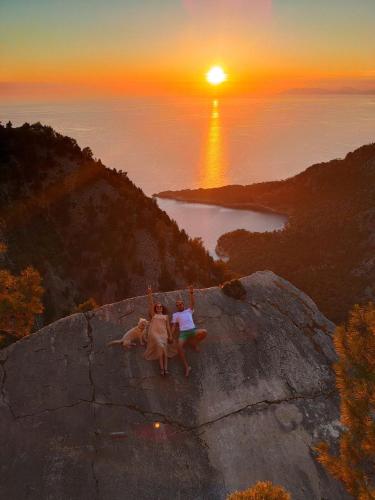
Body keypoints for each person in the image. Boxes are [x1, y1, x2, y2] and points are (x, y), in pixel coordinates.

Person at [172, 285, 207, 377]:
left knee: (204, 332)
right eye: (178, 305)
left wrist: (191, 293)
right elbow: (174, 326)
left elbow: (193, 303)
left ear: (183, 304)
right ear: (176, 307)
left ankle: (194, 343)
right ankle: (187, 367)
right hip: (183, 333)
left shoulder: (188, 311)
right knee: (179, 347)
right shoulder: (175, 314)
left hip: (192, 330)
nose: (179, 306)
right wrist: (170, 336)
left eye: (181, 304)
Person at [144, 285, 176, 376]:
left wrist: (170, 336)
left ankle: (165, 369)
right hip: (155, 334)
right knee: (160, 347)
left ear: (162, 308)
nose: (159, 307)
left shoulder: (165, 316)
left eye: (160, 306)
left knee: (164, 351)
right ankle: (161, 369)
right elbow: (150, 304)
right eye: (157, 306)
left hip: (164, 334)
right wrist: (149, 293)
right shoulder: (153, 315)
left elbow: (168, 327)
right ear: (155, 308)